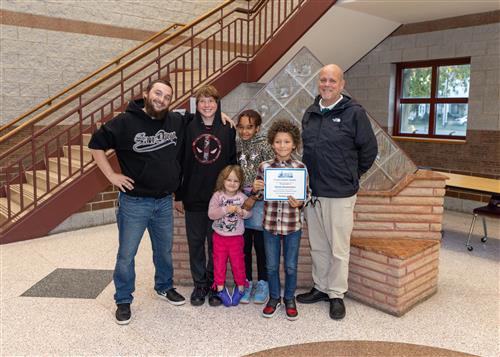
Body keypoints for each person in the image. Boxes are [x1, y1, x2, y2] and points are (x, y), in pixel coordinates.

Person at [88, 79, 186, 325]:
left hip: (164, 201)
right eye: (158, 93)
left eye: (166, 96)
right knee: (126, 255)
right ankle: (123, 299)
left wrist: (222, 113)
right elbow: (95, 144)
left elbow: (200, 115)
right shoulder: (124, 122)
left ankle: (164, 287)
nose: (161, 99)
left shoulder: (174, 120)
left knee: (163, 250)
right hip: (134, 203)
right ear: (146, 94)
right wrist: (111, 175)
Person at [297, 64, 378, 320]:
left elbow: (369, 151)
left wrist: (350, 175)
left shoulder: (354, 113)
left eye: (333, 80)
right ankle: (320, 287)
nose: (327, 84)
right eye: (323, 80)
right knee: (318, 246)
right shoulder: (310, 112)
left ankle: (336, 294)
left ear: (342, 84)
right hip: (313, 194)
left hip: (340, 194)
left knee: (338, 248)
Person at [174, 85, 237, 307]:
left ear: (218, 104)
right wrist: (178, 195)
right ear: (197, 104)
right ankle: (199, 284)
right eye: (203, 101)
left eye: (211, 101)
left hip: (219, 199)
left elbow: (232, 164)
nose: (207, 105)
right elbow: (180, 162)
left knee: (216, 244)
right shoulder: (187, 126)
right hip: (193, 196)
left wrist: (233, 195)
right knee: (196, 243)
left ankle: (213, 285)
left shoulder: (228, 129)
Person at [252, 119, 309, 321]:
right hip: (270, 225)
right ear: (272, 143)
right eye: (278, 141)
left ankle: (289, 298)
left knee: (291, 266)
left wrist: (300, 203)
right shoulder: (264, 167)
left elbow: (306, 195)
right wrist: (256, 189)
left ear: (294, 144)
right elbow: (259, 196)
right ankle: (274, 298)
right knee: (272, 266)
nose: (282, 145)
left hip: (293, 226)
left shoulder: (300, 167)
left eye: (286, 142)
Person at [236, 109, 274, 304]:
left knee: (260, 246)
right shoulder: (235, 145)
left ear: (257, 128)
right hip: (240, 200)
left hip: (259, 202)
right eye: (241, 127)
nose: (245, 131)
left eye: (249, 127)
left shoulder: (266, 146)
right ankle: (246, 282)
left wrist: (255, 196)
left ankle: (263, 283)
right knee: (243, 247)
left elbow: (270, 175)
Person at [207, 165, 252, 307]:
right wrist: (226, 209)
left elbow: (249, 213)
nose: (232, 183)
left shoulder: (242, 197)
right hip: (219, 237)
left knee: (238, 264)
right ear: (223, 180)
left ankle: (240, 288)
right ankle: (220, 288)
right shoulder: (217, 196)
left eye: (236, 181)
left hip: (236, 238)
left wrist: (242, 212)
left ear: (240, 183)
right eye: (229, 180)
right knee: (219, 264)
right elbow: (211, 214)